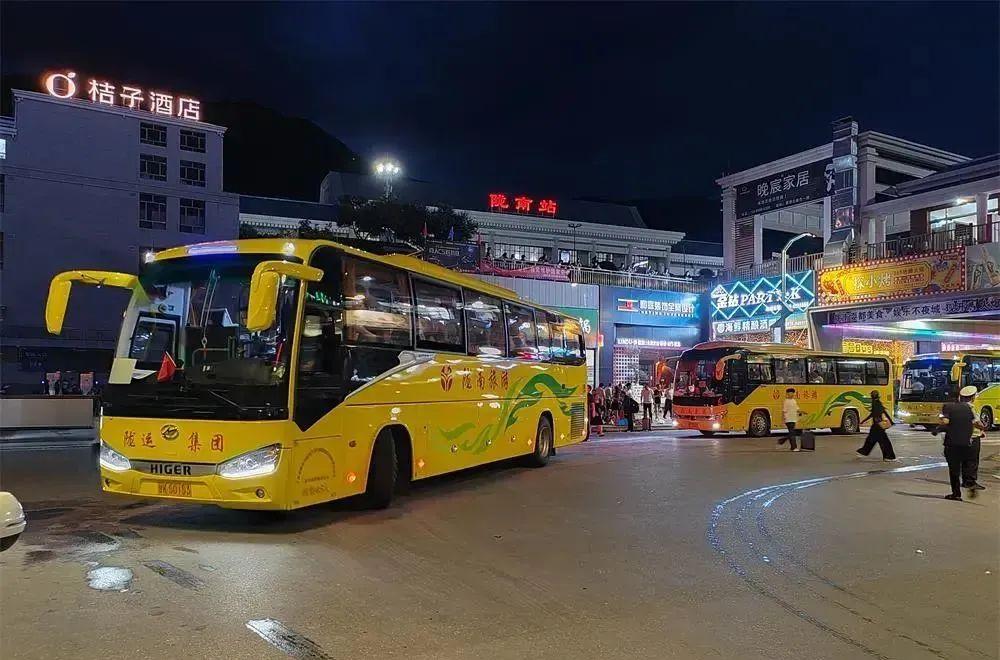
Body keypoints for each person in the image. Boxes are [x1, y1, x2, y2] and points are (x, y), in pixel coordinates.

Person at [933, 385, 987, 500]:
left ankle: (957, 493)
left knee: (954, 470)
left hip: (953, 443)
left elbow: (945, 422)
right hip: (968, 442)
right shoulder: (968, 408)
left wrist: (937, 429)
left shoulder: (948, 407)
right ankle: (970, 483)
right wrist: (982, 429)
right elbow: (976, 423)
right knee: (969, 463)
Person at [856, 391, 897, 461]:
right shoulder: (877, 403)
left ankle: (863, 452)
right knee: (884, 442)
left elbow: (875, 413)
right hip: (878, 426)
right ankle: (888, 456)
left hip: (877, 425)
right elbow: (880, 413)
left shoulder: (875, 403)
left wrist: (865, 420)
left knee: (871, 440)